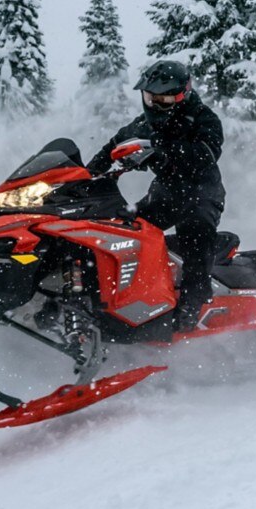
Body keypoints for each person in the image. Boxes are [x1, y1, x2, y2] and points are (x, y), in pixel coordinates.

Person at [86, 60, 225, 333]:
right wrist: (84, 176)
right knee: (120, 228)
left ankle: (192, 305)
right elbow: (111, 149)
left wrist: (162, 149)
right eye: (151, 98)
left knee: (195, 234)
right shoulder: (143, 124)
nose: (156, 105)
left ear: (182, 95)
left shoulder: (204, 118)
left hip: (201, 192)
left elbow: (207, 155)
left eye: (164, 99)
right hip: (165, 193)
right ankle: (117, 299)